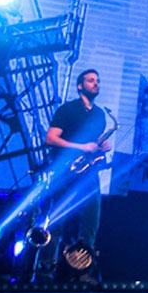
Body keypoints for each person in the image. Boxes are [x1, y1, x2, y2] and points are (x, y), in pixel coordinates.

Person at [42, 68, 111, 278]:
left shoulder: (100, 114)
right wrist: (82, 147)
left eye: (97, 80)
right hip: (66, 171)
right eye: (91, 80)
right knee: (58, 217)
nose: (95, 83)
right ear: (80, 85)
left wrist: (102, 146)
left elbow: (94, 144)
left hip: (88, 172)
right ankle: (46, 266)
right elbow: (51, 139)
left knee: (92, 215)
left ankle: (83, 264)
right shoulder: (67, 110)